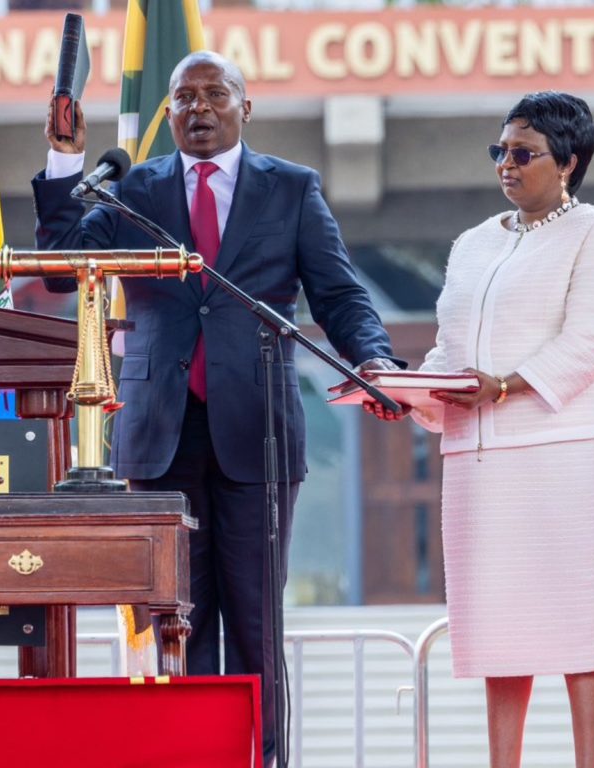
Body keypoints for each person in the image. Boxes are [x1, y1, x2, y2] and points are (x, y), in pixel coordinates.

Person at [32, 50, 400, 763]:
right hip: (159, 431)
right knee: (176, 619)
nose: (198, 108)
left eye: (214, 93)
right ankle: (192, 754)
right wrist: (63, 162)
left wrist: (374, 357)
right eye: (183, 97)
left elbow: (339, 293)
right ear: (166, 113)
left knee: (256, 620)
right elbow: (57, 269)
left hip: (255, 427)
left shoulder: (291, 189)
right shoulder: (130, 189)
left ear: (245, 106)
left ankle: (263, 757)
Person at [381, 92, 594, 768]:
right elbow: (449, 352)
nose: (505, 163)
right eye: (498, 150)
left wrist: (505, 385)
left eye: (522, 153)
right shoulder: (473, 243)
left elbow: (592, 339)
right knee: (502, 631)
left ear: (568, 161)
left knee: (581, 629)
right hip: (480, 461)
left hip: (566, 451)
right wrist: (405, 392)